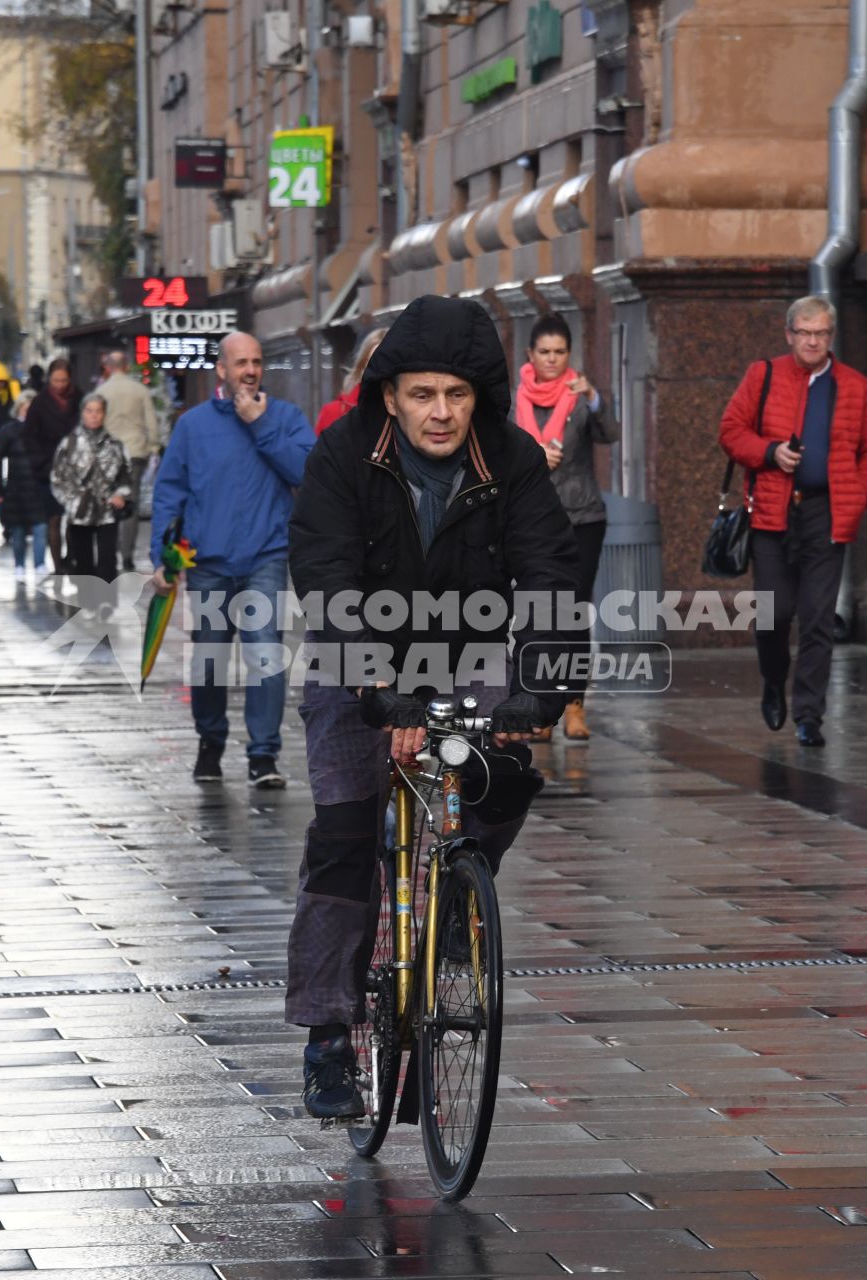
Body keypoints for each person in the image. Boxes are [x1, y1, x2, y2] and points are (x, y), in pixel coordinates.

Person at [286, 293, 583, 1117]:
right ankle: (327, 1037)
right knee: (346, 840)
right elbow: (327, 576)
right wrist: (384, 687)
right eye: (422, 394)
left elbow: (552, 571)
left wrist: (545, 686)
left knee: (504, 772)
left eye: (456, 395)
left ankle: (457, 894)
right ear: (390, 395)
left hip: (470, 653)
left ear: (478, 397)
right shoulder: (343, 455)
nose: (441, 413)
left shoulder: (511, 457)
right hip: (361, 663)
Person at [718, 295, 867, 748]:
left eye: (822, 333)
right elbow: (731, 430)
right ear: (789, 334)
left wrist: (855, 496)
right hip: (773, 511)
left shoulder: (855, 386)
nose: (813, 341)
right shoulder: (765, 375)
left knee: (816, 619)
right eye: (805, 333)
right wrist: (770, 452)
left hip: (827, 513)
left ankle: (809, 714)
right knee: (773, 615)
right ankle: (774, 680)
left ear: (831, 337)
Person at [151, 331, 315, 789]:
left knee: (265, 655)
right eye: (241, 362)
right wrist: (162, 557)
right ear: (221, 370)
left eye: (257, 362)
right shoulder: (193, 425)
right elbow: (170, 494)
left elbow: (308, 472)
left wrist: (260, 426)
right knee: (209, 660)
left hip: (265, 554)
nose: (250, 370)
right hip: (208, 562)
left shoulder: (284, 418)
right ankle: (210, 741)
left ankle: (263, 755)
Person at [515, 314, 617, 742]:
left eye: (560, 353)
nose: (552, 360)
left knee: (573, 613)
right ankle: (539, 702)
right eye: (544, 352)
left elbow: (610, 433)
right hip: (529, 520)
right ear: (530, 355)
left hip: (581, 517)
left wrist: (593, 396)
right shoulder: (513, 401)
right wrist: (534, 454)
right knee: (537, 613)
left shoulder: (578, 397)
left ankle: (573, 703)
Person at [51, 392, 133, 586]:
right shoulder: (69, 444)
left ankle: (104, 604)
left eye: (98, 411)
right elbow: (58, 478)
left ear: (104, 414)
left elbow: (125, 474)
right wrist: (71, 501)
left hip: (108, 511)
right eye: (89, 411)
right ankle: (87, 602)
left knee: (108, 559)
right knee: (83, 560)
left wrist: (121, 495)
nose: (94, 415)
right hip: (79, 511)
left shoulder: (115, 445)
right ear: (82, 413)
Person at [93, 349, 162, 572]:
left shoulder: (101, 392)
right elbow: (152, 423)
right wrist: (153, 448)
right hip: (135, 452)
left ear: (109, 367)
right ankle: (127, 555)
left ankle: (110, 549)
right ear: (126, 366)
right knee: (131, 502)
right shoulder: (140, 390)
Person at [27, 359, 81, 574]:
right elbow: (29, 436)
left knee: (74, 518)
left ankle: (72, 558)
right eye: (56, 380)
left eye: (64, 380)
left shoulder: (79, 398)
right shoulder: (40, 403)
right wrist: (42, 462)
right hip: (48, 469)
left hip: (76, 469)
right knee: (54, 519)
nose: (60, 384)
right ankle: (58, 565)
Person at [0, 389, 53, 582]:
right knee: (17, 530)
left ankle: (39, 564)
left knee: (40, 528)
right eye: (25, 408)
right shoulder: (9, 431)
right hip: (16, 489)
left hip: (39, 487)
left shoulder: (44, 431)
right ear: (18, 409)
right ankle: (19, 565)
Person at [313, 327, 389, 435]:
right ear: (362, 367)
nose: (381, 370)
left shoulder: (411, 415)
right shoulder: (334, 414)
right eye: (373, 362)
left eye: (389, 362)